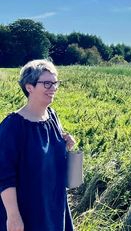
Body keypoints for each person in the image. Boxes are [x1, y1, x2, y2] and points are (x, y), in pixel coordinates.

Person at [0, 59, 76, 231]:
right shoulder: (12, 126)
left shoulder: (52, 117)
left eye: (55, 83)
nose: (54, 88)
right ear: (29, 87)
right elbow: (4, 176)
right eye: (47, 83)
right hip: (28, 210)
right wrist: (13, 216)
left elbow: (47, 157)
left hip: (53, 205)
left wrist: (65, 145)